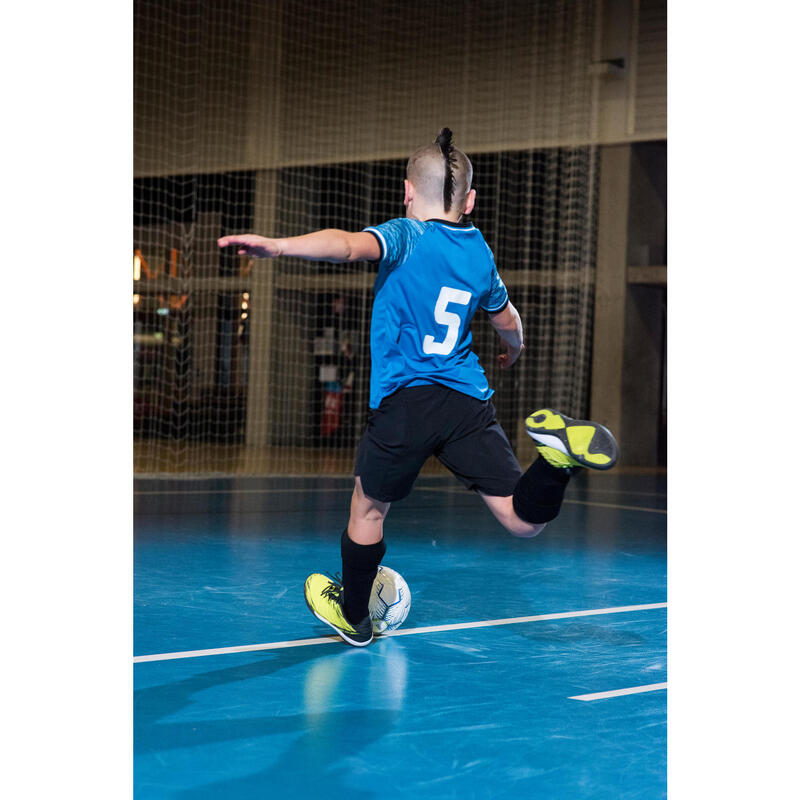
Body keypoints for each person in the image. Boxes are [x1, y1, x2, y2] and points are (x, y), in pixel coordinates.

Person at [218, 128, 618, 647]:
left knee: (368, 509)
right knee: (522, 520)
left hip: (406, 401)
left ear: (407, 192)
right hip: (467, 400)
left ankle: (355, 618)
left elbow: (345, 246)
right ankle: (556, 462)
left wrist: (278, 246)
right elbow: (509, 321)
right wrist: (515, 350)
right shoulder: (479, 253)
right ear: (470, 200)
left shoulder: (406, 235)